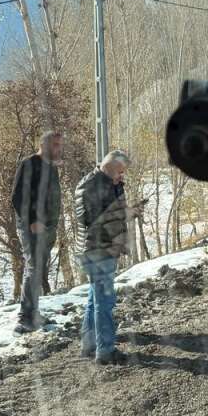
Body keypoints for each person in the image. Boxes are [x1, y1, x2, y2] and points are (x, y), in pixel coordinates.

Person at [74, 149, 138, 365]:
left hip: (102, 249)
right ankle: (106, 351)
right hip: (97, 250)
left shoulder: (107, 182)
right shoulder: (92, 186)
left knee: (95, 299)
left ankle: (90, 345)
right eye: (120, 171)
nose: (122, 176)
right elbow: (94, 221)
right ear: (110, 167)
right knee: (105, 301)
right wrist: (125, 213)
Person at [10, 131, 63, 334]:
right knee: (33, 267)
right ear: (45, 145)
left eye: (60, 145)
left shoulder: (52, 167)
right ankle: (25, 317)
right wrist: (32, 221)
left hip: (49, 227)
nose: (59, 149)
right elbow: (17, 196)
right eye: (56, 145)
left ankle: (34, 312)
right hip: (31, 226)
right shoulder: (29, 163)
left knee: (39, 268)